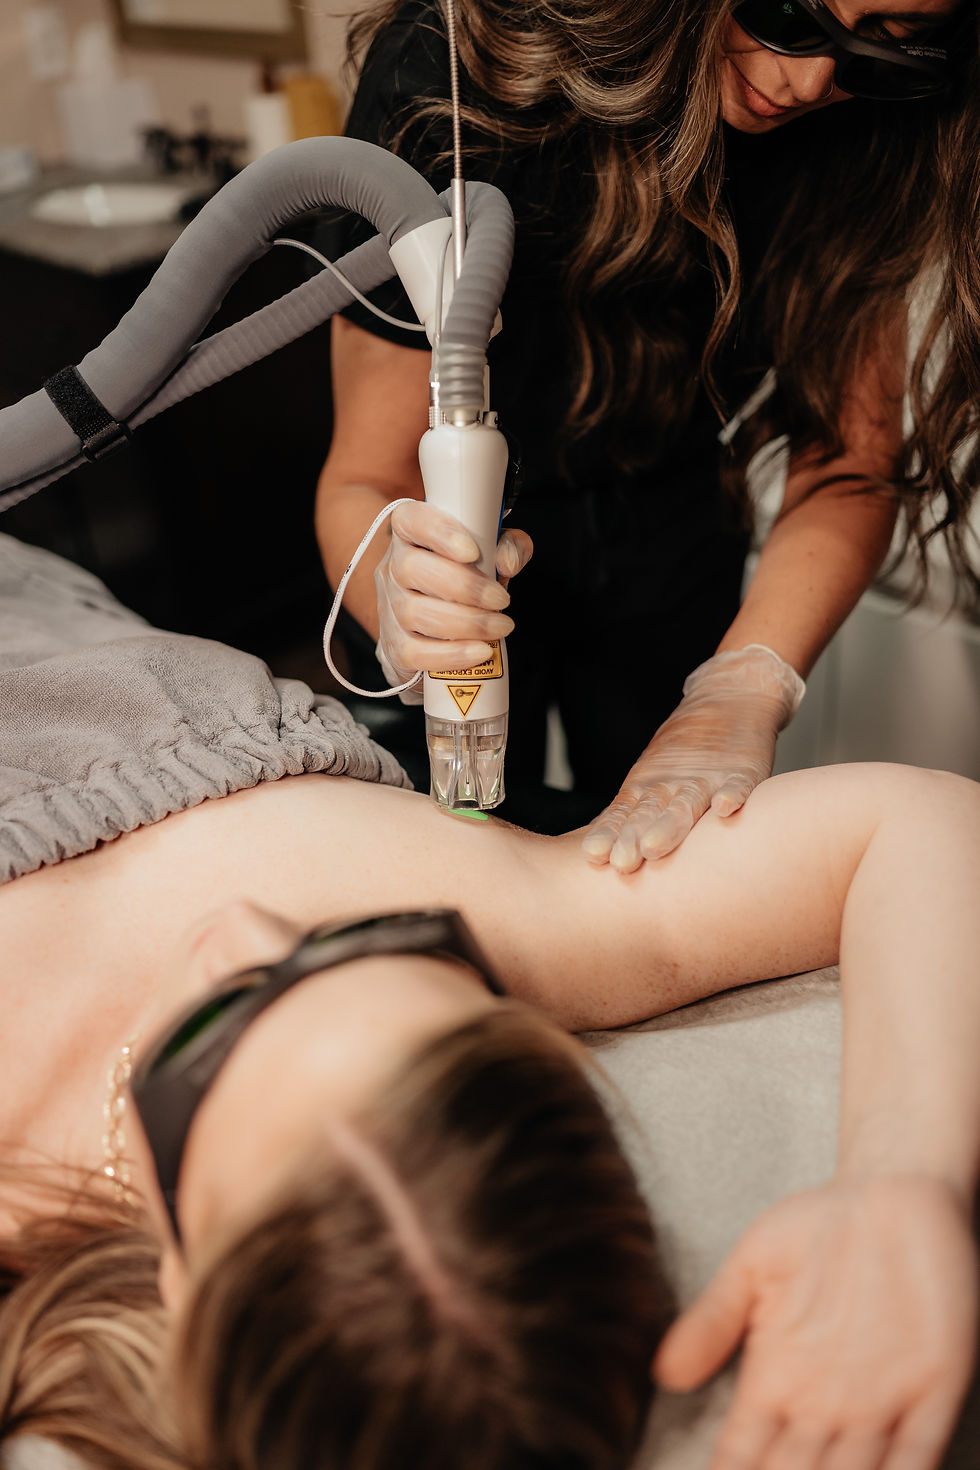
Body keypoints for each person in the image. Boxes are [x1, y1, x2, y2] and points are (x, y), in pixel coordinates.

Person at [1, 529, 978, 1470]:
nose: (242, 925)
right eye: (357, 939)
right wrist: (901, 1180)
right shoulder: (512, 920)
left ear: (184, 1279)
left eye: (204, 1042)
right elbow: (921, 823)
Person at [313, 0, 980, 863]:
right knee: (446, 842)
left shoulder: (877, 126)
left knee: (657, 856)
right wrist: (404, 604)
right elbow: (363, 478)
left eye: (888, 42)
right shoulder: (449, 71)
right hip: (448, 531)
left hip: (677, 521)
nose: (809, 81)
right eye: (788, 13)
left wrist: (744, 684)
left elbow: (846, 461)